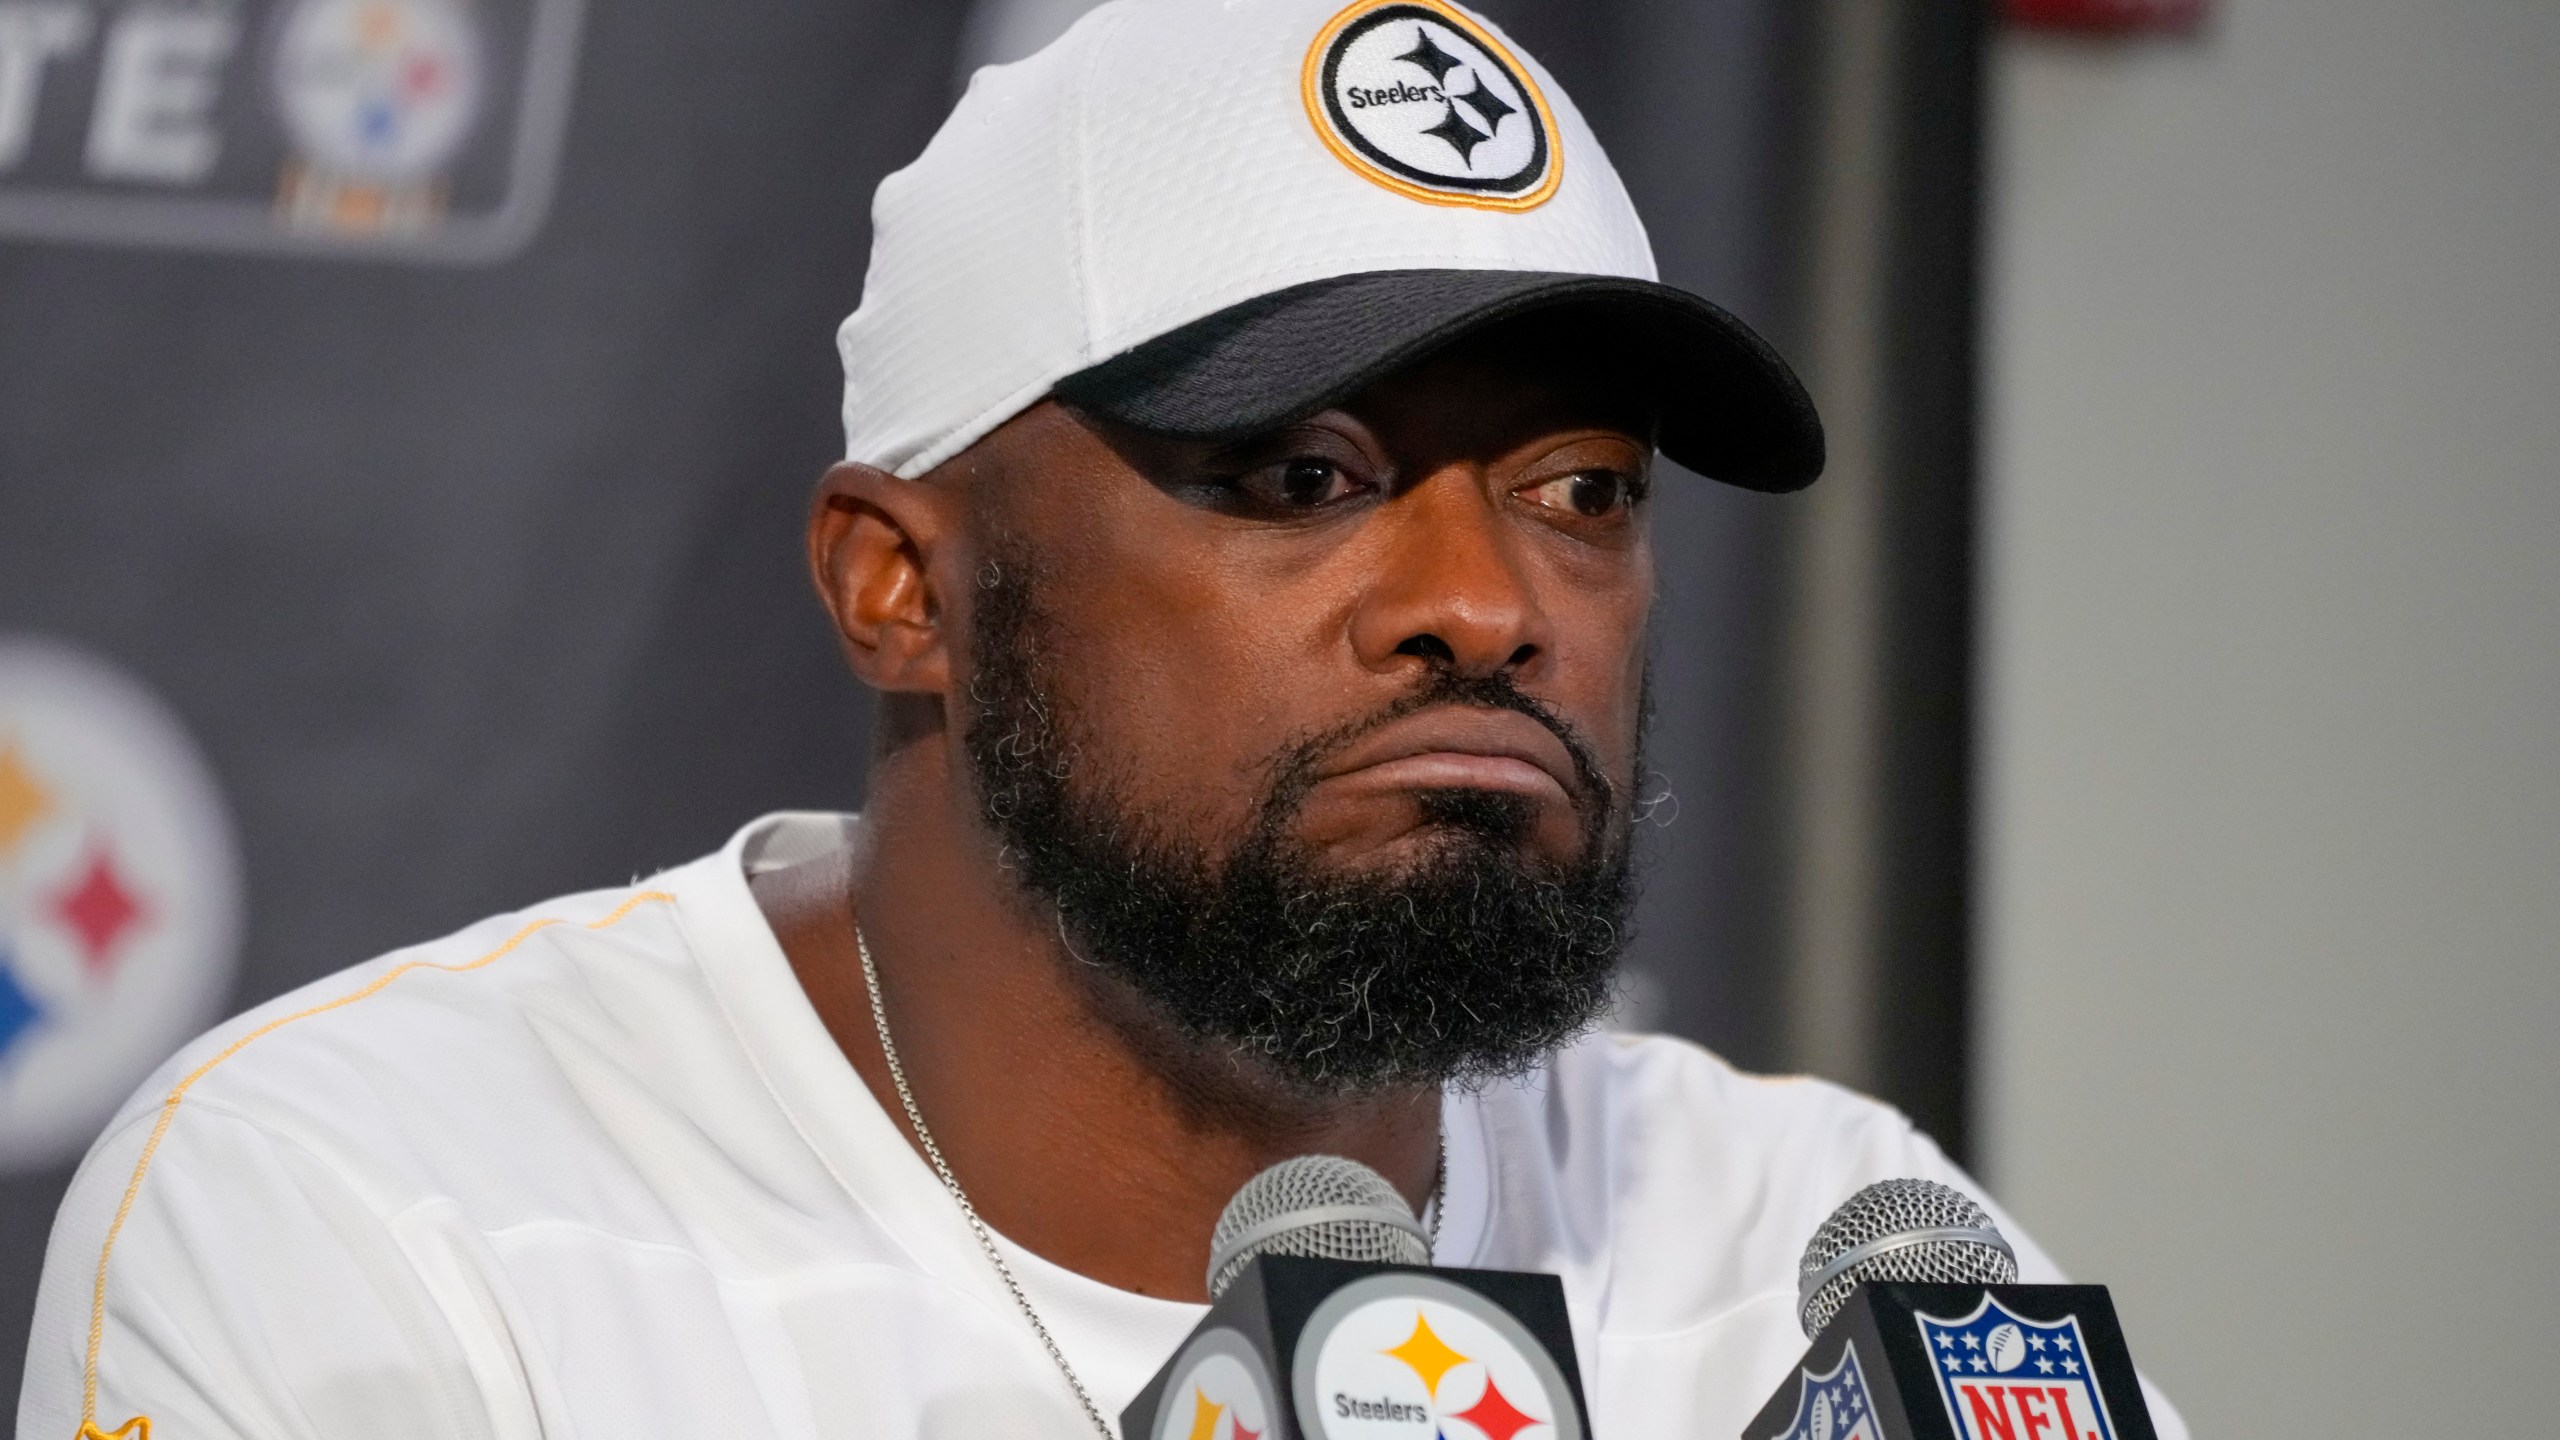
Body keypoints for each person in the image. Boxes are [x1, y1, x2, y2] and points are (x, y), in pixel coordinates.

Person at [21, 2, 2187, 1437]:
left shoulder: (1817, 1258)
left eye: (1581, 493)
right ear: (903, 587)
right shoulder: (378, 1216)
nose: (1482, 607)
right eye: (1303, 480)